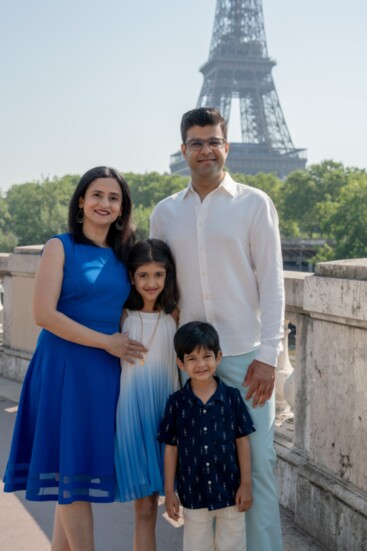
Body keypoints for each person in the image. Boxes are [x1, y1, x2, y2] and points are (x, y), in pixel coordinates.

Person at [150, 107, 285, 551]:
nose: (205, 150)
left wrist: (268, 355)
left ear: (226, 147)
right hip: (192, 361)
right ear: (183, 150)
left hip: (246, 359)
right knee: (198, 466)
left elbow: (272, 282)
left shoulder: (254, 203)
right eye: (196, 142)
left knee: (258, 468)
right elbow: (159, 286)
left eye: (213, 141)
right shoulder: (165, 213)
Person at [3, 166, 146, 551]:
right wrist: (106, 342)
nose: (105, 203)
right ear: (81, 201)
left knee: (77, 474)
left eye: (114, 198)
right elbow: (43, 315)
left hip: (104, 374)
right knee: (73, 477)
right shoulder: (59, 246)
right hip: (64, 369)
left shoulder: (124, 256)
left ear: (122, 209)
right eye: (97, 195)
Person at [158, 321, 255, 551]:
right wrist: (169, 491)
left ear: (218, 357)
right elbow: (171, 448)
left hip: (231, 491)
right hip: (193, 493)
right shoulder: (176, 403)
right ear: (180, 363)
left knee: (233, 546)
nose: (201, 364)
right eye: (191, 358)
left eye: (207, 356)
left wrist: (246, 484)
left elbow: (242, 441)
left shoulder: (231, 398)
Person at [114, 238, 180, 551]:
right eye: (143, 275)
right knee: (144, 508)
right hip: (131, 420)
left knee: (172, 503)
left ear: (168, 276)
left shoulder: (174, 317)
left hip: (166, 420)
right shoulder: (121, 317)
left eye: (158, 275)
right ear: (131, 277)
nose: (151, 282)